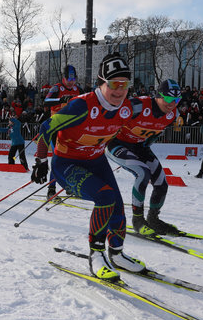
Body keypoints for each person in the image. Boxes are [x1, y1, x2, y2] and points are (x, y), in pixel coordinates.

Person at [31, 53, 143, 281]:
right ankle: (97, 255)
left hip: (96, 161)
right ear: (101, 84)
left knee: (118, 208)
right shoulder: (81, 106)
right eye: (114, 84)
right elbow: (45, 128)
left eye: (125, 84)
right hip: (67, 163)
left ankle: (117, 254)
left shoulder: (129, 107)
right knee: (105, 197)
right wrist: (41, 162)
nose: (119, 90)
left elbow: (155, 113)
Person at [105, 79, 182, 236]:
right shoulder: (138, 106)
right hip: (116, 143)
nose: (172, 104)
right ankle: (137, 220)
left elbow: (156, 130)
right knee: (142, 172)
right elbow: (108, 115)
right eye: (168, 98)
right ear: (157, 96)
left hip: (139, 146)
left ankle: (153, 219)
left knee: (161, 183)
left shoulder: (173, 114)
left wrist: (150, 140)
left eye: (176, 100)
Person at [43, 65, 83, 199]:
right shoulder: (57, 88)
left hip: (71, 129)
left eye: (73, 79)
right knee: (57, 157)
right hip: (56, 128)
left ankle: (69, 186)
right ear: (63, 78)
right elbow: (46, 101)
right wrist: (61, 100)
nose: (71, 82)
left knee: (74, 157)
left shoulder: (78, 89)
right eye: (68, 79)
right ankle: (51, 189)